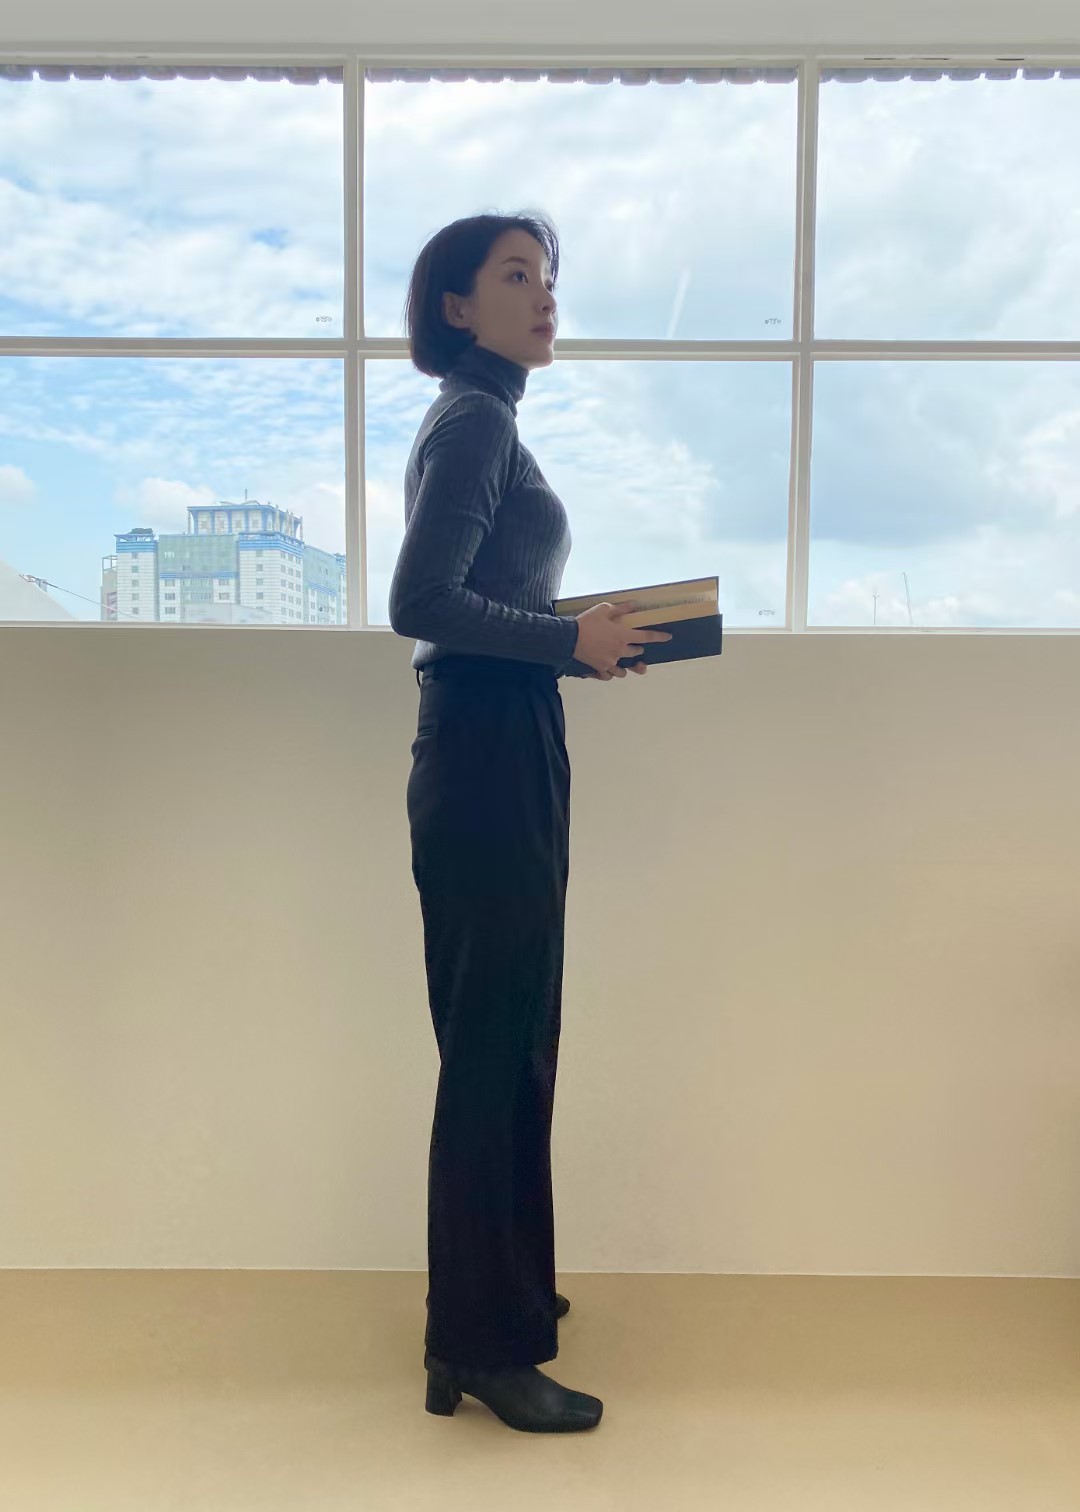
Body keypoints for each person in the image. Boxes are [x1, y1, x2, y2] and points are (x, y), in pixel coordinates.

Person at [388, 210, 672, 1434]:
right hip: (484, 747)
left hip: (507, 736)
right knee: (495, 1045)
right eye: (516, 276)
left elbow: (484, 599)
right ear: (457, 307)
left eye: (548, 277)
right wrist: (566, 641)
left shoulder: (489, 422)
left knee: (518, 1035)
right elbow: (420, 600)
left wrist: (581, 642)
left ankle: (501, 1299)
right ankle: (478, 1345)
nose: (544, 296)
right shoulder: (474, 421)